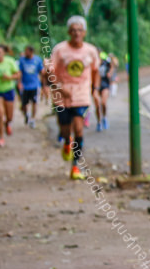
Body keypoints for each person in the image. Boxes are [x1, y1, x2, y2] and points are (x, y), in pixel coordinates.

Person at [48, 16, 100, 180]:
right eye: (73, 30)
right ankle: (66, 141)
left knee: (78, 129)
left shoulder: (90, 51)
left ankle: (76, 166)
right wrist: (59, 88)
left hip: (81, 95)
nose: (76, 33)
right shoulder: (60, 50)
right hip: (62, 95)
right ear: (68, 32)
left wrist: (95, 89)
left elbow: (96, 71)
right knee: (65, 129)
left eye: (79, 30)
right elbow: (50, 72)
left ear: (84, 32)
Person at [17, 45, 44, 128]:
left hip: (35, 85)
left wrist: (43, 85)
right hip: (25, 85)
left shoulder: (37, 60)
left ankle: (33, 119)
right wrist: (19, 82)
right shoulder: (22, 60)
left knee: (35, 102)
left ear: (31, 51)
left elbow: (41, 72)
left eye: (27, 51)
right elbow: (19, 72)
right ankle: (27, 115)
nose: (25, 53)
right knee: (24, 104)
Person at [94, 50, 115, 131]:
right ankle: (99, 122)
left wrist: (110, 72)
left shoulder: (106, 61)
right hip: (95, 86)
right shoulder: (92, 62)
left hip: (105, 84)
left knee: (103, 103)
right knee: (97, 105)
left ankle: (104, 117)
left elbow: (113, 65)